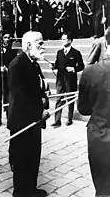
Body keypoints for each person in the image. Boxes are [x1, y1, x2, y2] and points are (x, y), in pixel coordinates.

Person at [7, 31, 49, 197]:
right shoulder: (17, 65)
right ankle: (20, 192)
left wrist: (44, 100)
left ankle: (31, 189)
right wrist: (40, 111)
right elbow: (21, 96)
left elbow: (37, 90)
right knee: (21, 159)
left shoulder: (33, 63)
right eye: (40, 44)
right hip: (22, 121)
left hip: (33, 120)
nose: (43, 47)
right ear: (29, 45)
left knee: (33, 157)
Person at [77, 26, 110, 197]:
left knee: (103, 188)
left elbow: (83, 109)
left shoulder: (90, 72)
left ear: (106, 43)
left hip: (100, 135)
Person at [51, 32, 84, 128]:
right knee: (58, 99)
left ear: (70, 40)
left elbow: (82, 66)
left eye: (64, 39)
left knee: (70, 99)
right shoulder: (59, 52)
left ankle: (69, 119)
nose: (62, 41)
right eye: (62, 39)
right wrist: (53, 66)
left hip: (70, 80)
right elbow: (57, 64)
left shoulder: (76, 53)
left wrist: (74, 69)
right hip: (60, 79)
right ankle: (57, 120)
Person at [0, 29, 17, 128]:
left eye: (9, 37)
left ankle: (9, 117)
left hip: (6, 77)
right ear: (2, 39)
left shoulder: (13, 52)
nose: (7, 39)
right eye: (5, 37)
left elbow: (14, 66)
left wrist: (7, 69)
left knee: (7, 97)